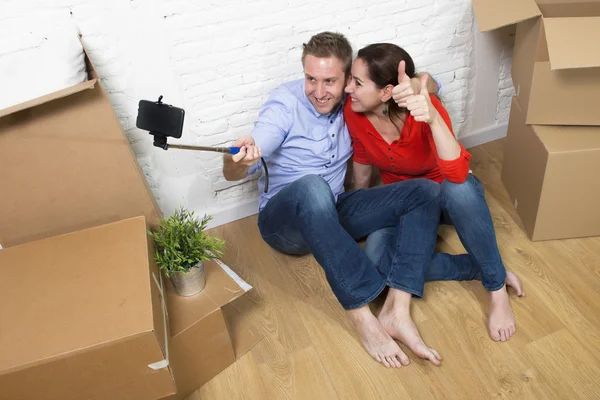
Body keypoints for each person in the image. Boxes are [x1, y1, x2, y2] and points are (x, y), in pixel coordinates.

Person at [223, 32, 448, 368]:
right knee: (313, 187)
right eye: (310, 79)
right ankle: (361, 316)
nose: (318, 91)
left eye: (329, 81)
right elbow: (241, 165)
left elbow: (435, 85)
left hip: (332, 210)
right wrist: (237, 160)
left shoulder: (353, 98)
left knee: (425, 191)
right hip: (284, 221)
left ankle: (396, 309)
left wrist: (414, 87)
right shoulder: (285, 103)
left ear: (347, 80)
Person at [343, 43, 525, 343]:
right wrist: (364, 213)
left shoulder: (424, 108)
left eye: (358, 83)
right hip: (404, 201)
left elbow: (455, 174)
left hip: (443, 195)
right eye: (350, 79)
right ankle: (480, 267)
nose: (349, 88)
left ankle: (495, 290)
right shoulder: (355, 113)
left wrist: (433, 118)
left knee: (463, 189)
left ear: (386, 92)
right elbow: (362, 164)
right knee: (378, 267)